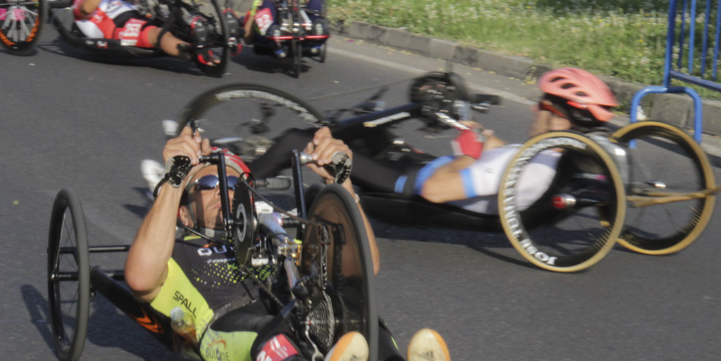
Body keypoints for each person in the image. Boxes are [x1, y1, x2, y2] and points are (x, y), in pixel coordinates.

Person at [126, 125, 452, 361]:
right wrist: (176, 178)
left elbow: (365, 267)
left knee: (356, 311)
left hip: (299, 318)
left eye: (236, 184)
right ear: (183, 214)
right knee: (268, 327)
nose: (226, 191)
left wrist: (342, 183)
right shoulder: (178, 247)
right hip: (228, 332)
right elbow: (140, 279)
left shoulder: (278, 236)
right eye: (210, 182)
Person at [246, 68, 618, 215]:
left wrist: (467, 156)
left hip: (407, 180)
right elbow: (501, 157)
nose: (535, 111)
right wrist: (481, 136)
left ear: (560, 117)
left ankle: (235, 185)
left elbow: (439, 191)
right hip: (418, 164)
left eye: (542, 105)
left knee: (300, 138)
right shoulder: (547, 159)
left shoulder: (530, 171)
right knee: (364, 124)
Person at [70, 0, 220, 68]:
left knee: (173, 20)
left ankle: (216, 33)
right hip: (119, 27)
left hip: (137, 16)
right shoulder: (81, 0)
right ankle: (197, 53)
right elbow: (86, 10)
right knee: (158, 34)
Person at [238, 0, 325, 59]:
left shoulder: (287, 0)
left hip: (299, 31)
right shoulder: (258, 7)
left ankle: (316, 36)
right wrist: (255, 12)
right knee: (266, 3)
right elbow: (247, 40)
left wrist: (297, 4)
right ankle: (275, 34)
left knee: (315, 0)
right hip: (270, 38)